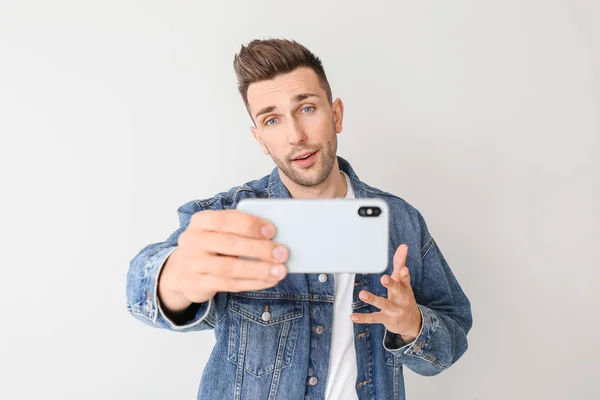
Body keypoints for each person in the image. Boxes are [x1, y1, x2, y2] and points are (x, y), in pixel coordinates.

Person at [126, 38, 472, 400]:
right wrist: (177, 279)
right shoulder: (229, 218)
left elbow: (451, 340)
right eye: (272, 119)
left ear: (335, 115)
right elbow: (140, 290)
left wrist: (411, 324)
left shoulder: (401, 222)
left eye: (306, 108)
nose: (296, 136)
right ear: (260, 139)